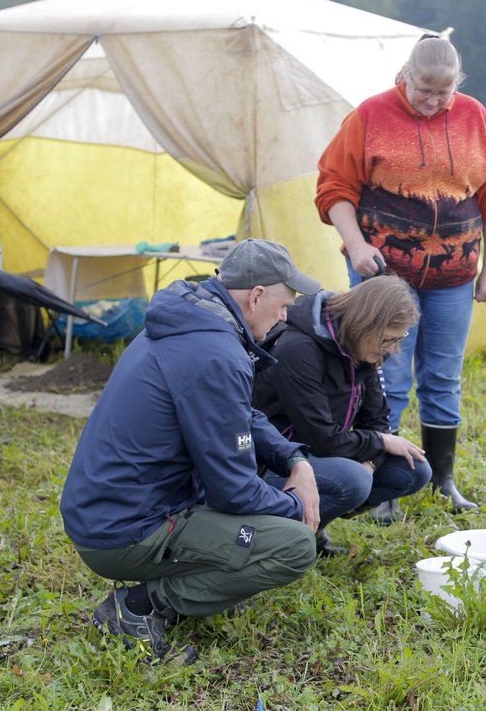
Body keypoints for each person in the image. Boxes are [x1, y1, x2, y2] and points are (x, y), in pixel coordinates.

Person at [60, 238, 323, 663]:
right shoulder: (215, 352)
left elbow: (238, 412)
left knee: (268, 518)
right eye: (283, 304)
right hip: (125, 531)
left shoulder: (194, 323)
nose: (285, 315)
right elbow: (234, 492)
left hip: (106, 513)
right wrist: (298, 506)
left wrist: (295, 458)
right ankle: (139, 607)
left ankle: (198, 577)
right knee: (292, 545)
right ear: (255, 297)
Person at [315, 34, 486, 511]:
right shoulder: (369, 116)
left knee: (444, 376)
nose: (432, 101)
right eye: (423, 90)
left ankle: (442, 480)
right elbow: (334, 187)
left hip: (455, 273)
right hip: (384, 273)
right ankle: (385, 482)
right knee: (387, 376)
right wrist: (357, 244)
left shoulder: (476, 118)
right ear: (405, 76)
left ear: (457, 85)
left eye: (442, 93)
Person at [252, 274, 433, 541]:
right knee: (354, 480)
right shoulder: (298, 348)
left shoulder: (362, 345)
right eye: (388, 340)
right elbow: (322, 439)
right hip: (273, 463)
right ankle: (285, 538)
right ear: (365, 324)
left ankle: (316, 522)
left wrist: (371, 463)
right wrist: (379, 444)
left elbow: (378, 418)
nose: (393, 350)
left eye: (399, 339)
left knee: (414, 469)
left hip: (323, 453)